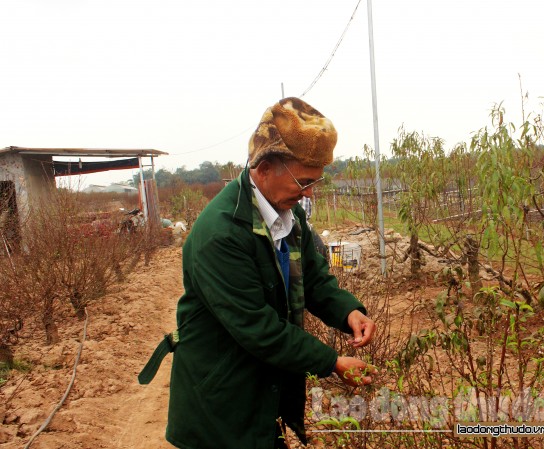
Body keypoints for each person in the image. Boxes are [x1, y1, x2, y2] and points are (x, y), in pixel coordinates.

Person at [139, 97, 376, 449]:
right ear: (264, 168)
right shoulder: (220, 234)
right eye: (302, 180)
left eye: (316, 181)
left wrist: (348, 311)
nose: (309, 192)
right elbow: (258, 328)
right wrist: (331, 362)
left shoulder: (288, 216)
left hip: (266, 390)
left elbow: (312, 278)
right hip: (221, 404)